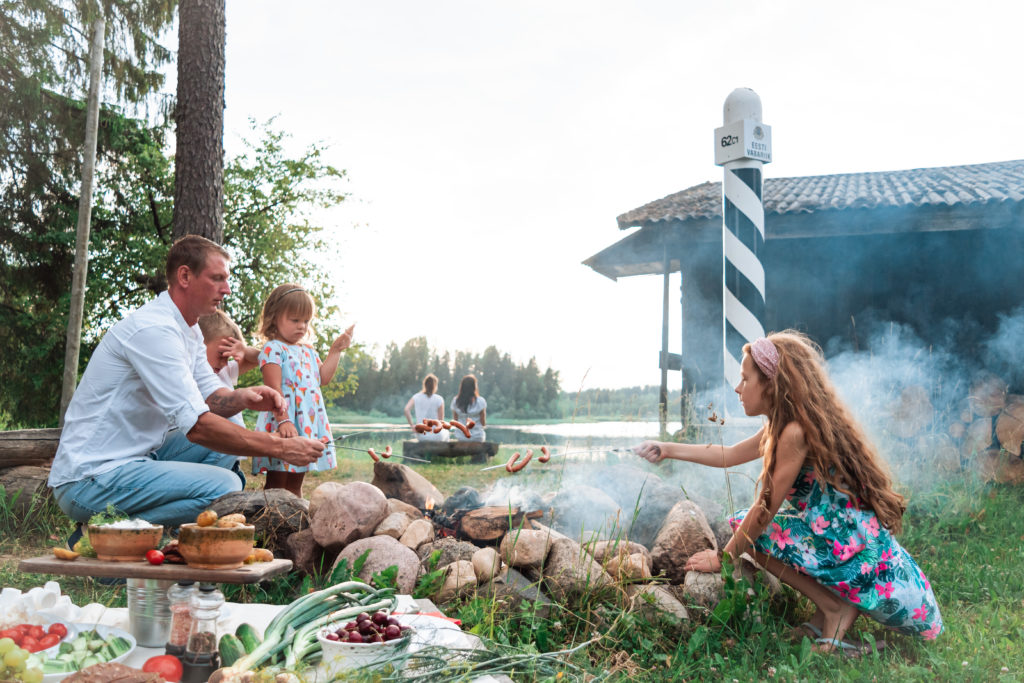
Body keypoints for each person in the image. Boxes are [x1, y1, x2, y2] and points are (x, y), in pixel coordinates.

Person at [635, 331, 942, 653]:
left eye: (745, 379)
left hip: (850, 546)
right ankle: (829, 610)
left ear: (772, 384)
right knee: (746, 526)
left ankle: (835, 609)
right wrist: (667, 448)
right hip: (843, 538)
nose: (738, 388)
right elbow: (729, 455)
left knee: (749, 529)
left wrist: (723, 558)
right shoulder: (784, 423)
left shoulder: (795, 431)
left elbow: (765, 507)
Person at [49, 235, 326, 531]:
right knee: (225, 486)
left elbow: (211, 398)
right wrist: (280, 447)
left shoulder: (189, 331)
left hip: (137, 459)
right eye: (217, 278)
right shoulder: (154, 330)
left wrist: (244, 397)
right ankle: (104, 534)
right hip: (90, 478)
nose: (227, 289)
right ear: (185, 276)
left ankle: (153, 533)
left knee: (228, 439)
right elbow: (197, 426)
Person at [250, 283, 354, 496]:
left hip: (307, 422)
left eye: (306, 321)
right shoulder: (273, 349)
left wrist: (335, 350)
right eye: (295, 320)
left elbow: (323, 378)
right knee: (277, 482)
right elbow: (273, 389)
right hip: (284, 421)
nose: (302, 326)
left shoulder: (308, 351)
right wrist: (284, 420)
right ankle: (271, 514)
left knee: (296, 483)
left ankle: (296, 514)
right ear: (274, 317)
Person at [198, 310, 259, 427]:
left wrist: (245, 351)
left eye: (228, 357)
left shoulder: (225, 372)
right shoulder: (190, 374)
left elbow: (262, 358)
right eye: (221, 354)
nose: (225, 363)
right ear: (199, 345)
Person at [404, 374, 448, 441]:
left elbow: (406, 409)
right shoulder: (439, 399)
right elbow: (441, 421)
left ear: (424, 385)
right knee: (446, 433)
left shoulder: (416, 397)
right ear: (435, 386)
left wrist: (412, 426)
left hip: (422, 436)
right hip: (437, 436)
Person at [450, 374, 487, 442]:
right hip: (477, 437)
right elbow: (483, 423)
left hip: (461, 437)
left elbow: (455, 422)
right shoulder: (481, 401)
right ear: (474, 387)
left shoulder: (456, 401)